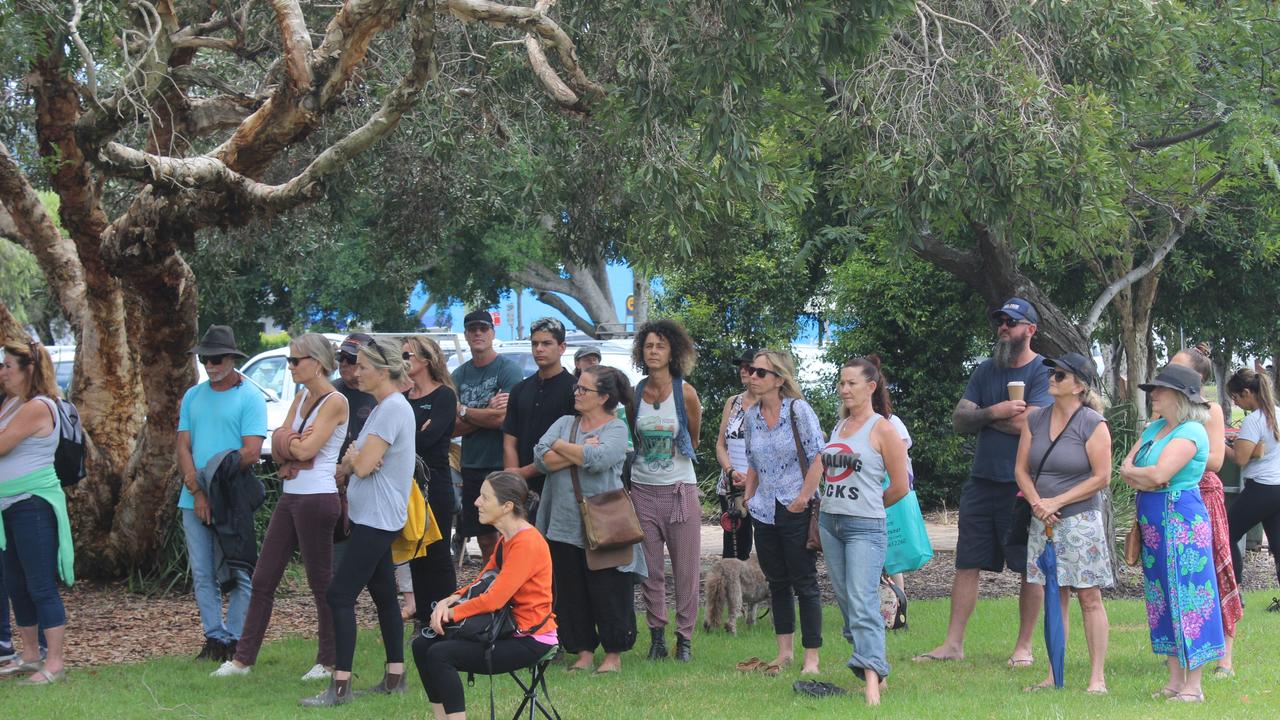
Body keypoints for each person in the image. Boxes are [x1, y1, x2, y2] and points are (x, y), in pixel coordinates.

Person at [916, 298, 1050, 666]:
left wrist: (983, 417)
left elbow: (1031, 425)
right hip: (981, 481)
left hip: (1022, 485)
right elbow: (960, 419)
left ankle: (1023, 647)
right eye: (1000, 321)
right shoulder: (984, 371)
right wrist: (997, 412)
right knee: (967, 562)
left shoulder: (1042, 372)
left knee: (1027, 566)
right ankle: (953, 645)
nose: (1003, 327)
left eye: (1012, 321)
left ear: (1030, 330)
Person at [212, 334, 347, 681]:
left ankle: (328, 660)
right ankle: (243, 660)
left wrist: (293, 447)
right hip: (292, 495)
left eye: (296, 360)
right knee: (263, 578)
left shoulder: (335, 401)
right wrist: (291, 444)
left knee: (321, 583)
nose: (290, 367)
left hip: (317, 497)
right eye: (289, 360)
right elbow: (278, 441)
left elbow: (303, 451)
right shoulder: (302, 397)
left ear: (316, 363)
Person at [302, 337, 415, 707]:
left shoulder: (392, 409)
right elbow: (359, 460)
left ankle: (340, 687)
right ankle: (395, 676)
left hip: (378, 520)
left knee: (339, 594)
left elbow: (361, 464)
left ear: (383, 370)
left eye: (363, 366)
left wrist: (354, 459)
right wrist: (356, 458)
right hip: (374, 516)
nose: (356, 372)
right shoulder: (385, 407)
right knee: (384, 595)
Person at [413, 472, 557, 720]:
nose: (476, 502)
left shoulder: (527, 543)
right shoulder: (507, 540)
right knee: (422, 644)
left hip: (531, 639)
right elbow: (482, 583)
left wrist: (451, 613)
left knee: (440, 653)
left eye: (484, 497)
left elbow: (494, 600)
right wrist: (448, 600)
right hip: (505, 630)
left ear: (507, 506)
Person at [1119, 364, 1223, 703]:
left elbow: (1161, 473)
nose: (1153, 395)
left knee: (1190, 597)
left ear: (1179, 397)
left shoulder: (1192, 431)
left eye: (1159, 391)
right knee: (1162, 598)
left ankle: (1194, 686)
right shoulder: (1156, 429)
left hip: (1181, 521)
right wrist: (1144, 475)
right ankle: (1175, 681)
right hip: (1154, 524)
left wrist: (1147, 475)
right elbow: (1127, 468)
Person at [1014, 353, 1112, 694]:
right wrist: (1039, 503)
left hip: (1080, 520)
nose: (1051, 378)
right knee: (1055, 595)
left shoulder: (1092, 423)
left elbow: (1102, 477)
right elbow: (1021, 470)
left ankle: (1097, 678)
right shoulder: (1035, 419)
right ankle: (1054, 674)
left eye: (1060, 375)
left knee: (1089, 596)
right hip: (1043, 520)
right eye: (1052, 374)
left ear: (1080, 386)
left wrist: (1057, 501)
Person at [534, 365, 640, 673]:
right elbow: (540, 458)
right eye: (577, 388)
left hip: (606, 521)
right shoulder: (566, 422)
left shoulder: (616, 428)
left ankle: (613, 655)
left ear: (604, 396)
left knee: (609, 589)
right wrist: (580, 449)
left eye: (584, 389)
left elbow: (599, 460)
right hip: (563, 523)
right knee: (571, 590)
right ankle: (582, 652)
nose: (576, 393)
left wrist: (562, 448)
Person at [816, 358, 910, 705]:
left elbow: (900, 485)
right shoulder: (839, 427)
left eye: (852, 383)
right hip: (830, 522)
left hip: (865, 527)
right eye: (841, 383)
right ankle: (874, 670)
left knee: (862, 598)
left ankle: (871, 680)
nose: (844, 389)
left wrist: (869, 506)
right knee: (846, 600)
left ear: (871, 387)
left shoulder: (883, 429)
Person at [176, 326, 267, 662]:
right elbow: (183, 444)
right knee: (203, 573)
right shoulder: (192, 396)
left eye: (215, 359)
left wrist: (212, 482)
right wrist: (197, 487)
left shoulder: (250, 397)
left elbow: (251, 452)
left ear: (231, 359)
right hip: (193, 498)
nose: (209, 365)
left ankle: (235, 638)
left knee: (241, 571)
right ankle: (215, 637)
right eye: (204, 359)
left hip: (233, 499)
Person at [739, 350, 825, 676]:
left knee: (805, 582)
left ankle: (811, 658)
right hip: (764, 510)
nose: (753, 377)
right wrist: (749, 497)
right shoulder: (751, 416)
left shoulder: (798, 410)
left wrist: (803, 498)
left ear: (779, 379)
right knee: (777, 582)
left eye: (760, 372)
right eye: (751, 371)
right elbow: (752, 461)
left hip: (795, 506)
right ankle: (784, 652)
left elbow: (819, 455)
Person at [628, 319, 702, 662]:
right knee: (651, 570)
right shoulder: (636, 392)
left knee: (686, 569)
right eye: (648, 346)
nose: (654, 351)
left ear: (673, 351)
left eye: (660, 346)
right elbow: (634, 437)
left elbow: (694, 438)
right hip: (643, 489)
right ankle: (656, 638)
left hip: (679, 490)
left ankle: (684, 639)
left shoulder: (684, 392)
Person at [0, 341, 71, 684]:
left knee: (40, 584)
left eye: (7, 367)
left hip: (33, 505)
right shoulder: (12, 403)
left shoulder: (38, 406)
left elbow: (1, 445)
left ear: (28, 370)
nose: (2, 373)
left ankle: (54, 663)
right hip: (8, 506)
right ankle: (30, 655)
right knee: (17, 584)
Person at [1170, 347, 1242, 677]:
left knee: (1215, 570)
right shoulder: (1165, 412)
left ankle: (1224, 656)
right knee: (1178, 575)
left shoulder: (1209, 410)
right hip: (1170, 497)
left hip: (1202, 497)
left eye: (1176, 369)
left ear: (1197, 378)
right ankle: (1184, 649)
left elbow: (1215, 460)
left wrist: (1181, 454)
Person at [452, 310, 523, 565]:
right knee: (483, 537)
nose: (478, 333)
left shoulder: (508, 370)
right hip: (471, 464)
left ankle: (512, 589)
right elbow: (451, 428)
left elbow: (503, 419)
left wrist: (465, 411)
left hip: (501, 463)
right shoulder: (458, 375)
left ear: (492, 333)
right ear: (466, 335)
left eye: (483, 328)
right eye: (472, 329)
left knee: (508, 532)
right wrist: (485, 411)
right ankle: (491, 584)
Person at [403, 335, 459, 620]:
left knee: (438, 554)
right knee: (415, 552)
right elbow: (394, 440)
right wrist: (415, 433)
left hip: (434, 484)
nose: (402, 362)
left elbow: (428, 441)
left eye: (407, 356)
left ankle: (448, 616)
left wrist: (408, 436)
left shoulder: (444, 395)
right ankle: (424, 618)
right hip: (406, 485)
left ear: (425, 360)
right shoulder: (401, 397)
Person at [503, 317, 576, 501]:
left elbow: (574, 446)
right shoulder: (520, 389)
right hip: (521, 488)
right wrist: (514, 479)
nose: (539, 349)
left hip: (561, 484)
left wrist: (523, 472)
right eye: (534, 343)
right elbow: (510, 441)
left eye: (546, 343)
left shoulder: (576, 390)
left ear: (562, 347)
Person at [1225, 368, 1280, 606]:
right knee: (1277, 543)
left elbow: (1240, 459)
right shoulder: (1276, 413)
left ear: (1247, 392)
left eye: (1236, 397)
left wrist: (1218, 444)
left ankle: (1234, 593)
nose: (1236, 402)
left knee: (1227, 533)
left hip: (1261, 487)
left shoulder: (1253, 419)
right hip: (1277, 486)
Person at [715, 349, 757, 560]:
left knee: (768, 545)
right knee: (733, 549)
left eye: (748, 367)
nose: (743, 371)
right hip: (731, 485)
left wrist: (751, 477)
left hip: (761, 484)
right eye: (741, 367)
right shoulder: (733, 402)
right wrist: (730, 471)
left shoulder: (772, 404)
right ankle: (730, 591)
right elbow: (721, 444)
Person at [334, 333, 377, 454]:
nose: (344, 363)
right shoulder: (329, 392)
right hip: (329, 469)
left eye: (351, 359)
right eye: (340, 357)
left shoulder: (379, 394)